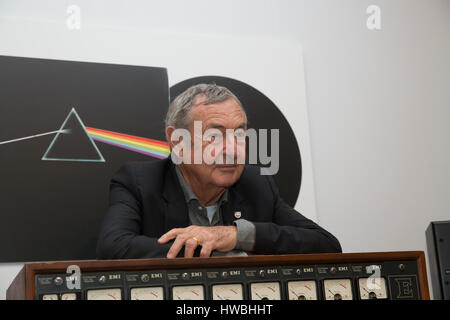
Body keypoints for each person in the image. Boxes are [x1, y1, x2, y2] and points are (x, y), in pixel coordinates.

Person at [96, 84, 341, 259]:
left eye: (240, 134)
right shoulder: (140, 182)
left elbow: (326, 244)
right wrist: (206, 246)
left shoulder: (256, 184)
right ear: (177, 140)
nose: (232, 150)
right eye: (214, 135)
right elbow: (113, 247)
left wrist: (233, 236)